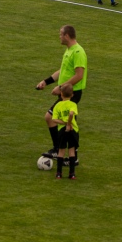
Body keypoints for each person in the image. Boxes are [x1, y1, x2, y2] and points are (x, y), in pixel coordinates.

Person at [36, 25, 87, 163]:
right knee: (67, 123)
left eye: (60, 34)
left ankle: (59, 150)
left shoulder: (78, 52)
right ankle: (69, 156)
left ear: (67, 36)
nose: (59, 37)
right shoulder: (69, 50)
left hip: (72, 94)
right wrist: (46, 82)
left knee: (52, 118)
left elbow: (79, 76)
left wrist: (60, 87)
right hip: (66, 92)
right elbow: (62, 71)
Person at [49, 83, 79, 180]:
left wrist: (64, 123)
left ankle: (59, 173)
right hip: (73, 129)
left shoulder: (58, 105)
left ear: (61, 94)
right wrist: (69, 123)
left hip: (62, 130)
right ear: (72, 95)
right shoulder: (73, 104)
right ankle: (72, 174)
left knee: (61, 150)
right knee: (71, 150)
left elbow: (54, 120)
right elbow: (71, 114)